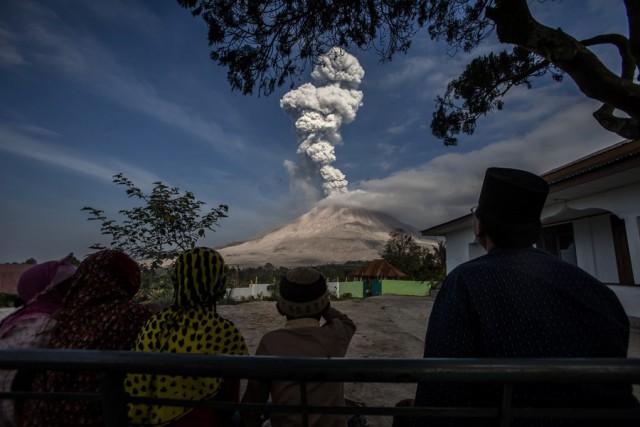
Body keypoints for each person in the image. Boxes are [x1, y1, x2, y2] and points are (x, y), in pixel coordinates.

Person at [413, 167, 639, 426]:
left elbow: (442, 389)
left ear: (479, 227)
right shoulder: (597, 289)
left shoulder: (466, 281)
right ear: (536, 230)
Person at [22, 249, 155, 427]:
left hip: (43, 414)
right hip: (98, 414)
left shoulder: (61, 316)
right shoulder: (132, 315)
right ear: (129, 280)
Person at [126, 247, 249, 426]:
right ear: (219, 284)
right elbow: (230, 401)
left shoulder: (155, 323)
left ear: (177, 280)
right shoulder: (223, 331)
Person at [241, 267, 357, 427]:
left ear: (281, 308)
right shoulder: (336, 336)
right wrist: (323, 306)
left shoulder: (270, 342)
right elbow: (346, 322)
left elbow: (253, 402)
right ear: (323, 306)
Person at [0, 254, 76, 427]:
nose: (76, 291)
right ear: (51, 290)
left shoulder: (20, 317)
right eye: (67, 287)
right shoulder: (45, 323)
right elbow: (18, 377)